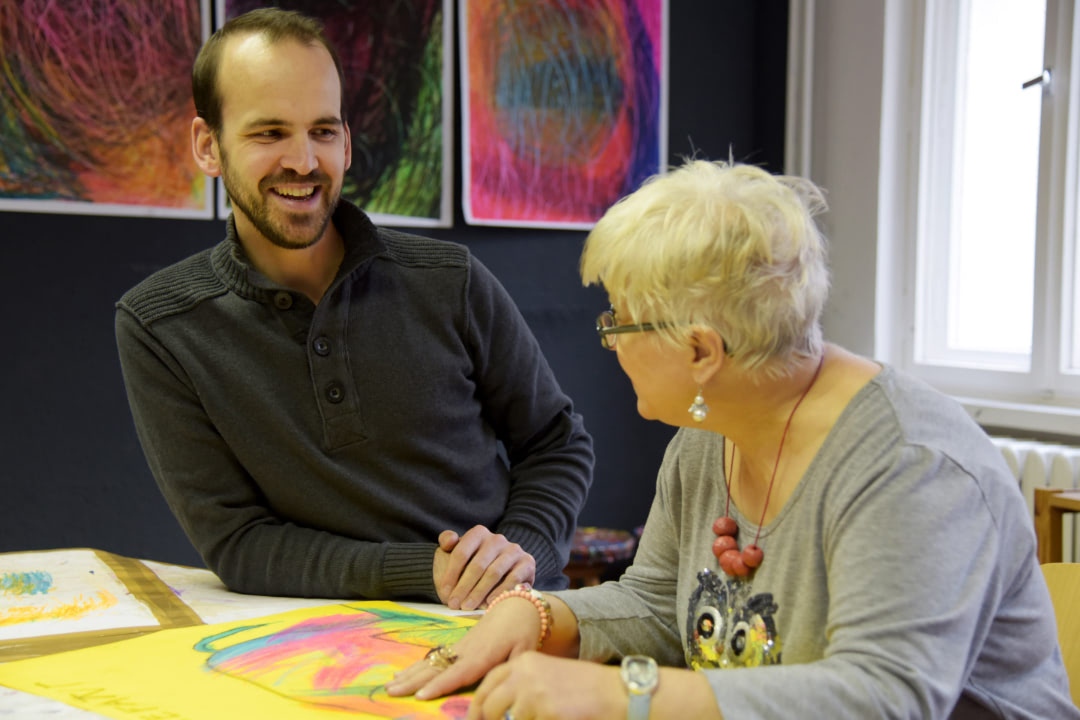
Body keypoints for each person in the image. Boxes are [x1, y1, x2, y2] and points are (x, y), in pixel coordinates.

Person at [386, 160, 1078, 719]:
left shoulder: (913, 468)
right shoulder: (710, 432)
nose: (607, 342)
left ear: (702, 351)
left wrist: (626, 695)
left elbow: (885, 698)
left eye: (618, 323)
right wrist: (537, 614)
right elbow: (659, 603)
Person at [114, 8, 593, 609]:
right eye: (269, 134)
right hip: (321, 644)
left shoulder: (451, 279)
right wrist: (428, 573)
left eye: (322, 130)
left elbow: (555, 443)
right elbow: (238, 542)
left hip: (511, 618)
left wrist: (518, 554)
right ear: (208, 146)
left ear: (345, 139)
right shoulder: (160, 324)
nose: (304, 161)